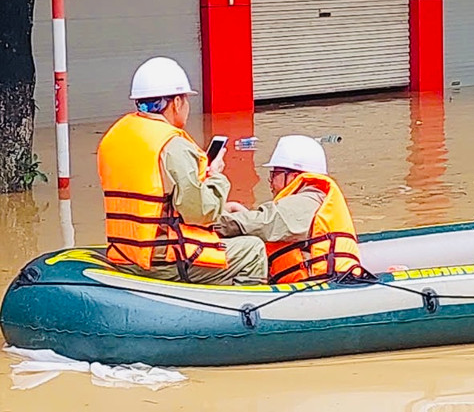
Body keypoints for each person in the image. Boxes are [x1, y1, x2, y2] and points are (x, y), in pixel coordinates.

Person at [96, 57, 267, 285]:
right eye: (186, 99)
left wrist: (221, 206)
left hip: (124, 254)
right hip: (162, 261)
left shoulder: (115, 137)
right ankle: (237, 304)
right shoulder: (173, 145)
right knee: (253, 249)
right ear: (176, 102)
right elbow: (200, 213)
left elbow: (158, 204)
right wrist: (217, 177)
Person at [217, 135, 363, 284]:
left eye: (274, 174)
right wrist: (241, 212)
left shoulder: (307, 201)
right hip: (318, 281)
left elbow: (265, 223)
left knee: (250, 250)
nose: (270, 183)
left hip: (317, 284)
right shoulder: (312, 199)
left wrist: (210, 219)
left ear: (293, 176)